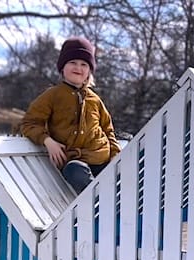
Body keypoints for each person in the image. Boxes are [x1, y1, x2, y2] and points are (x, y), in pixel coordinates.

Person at [21, 36, 121, 193]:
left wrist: (115, 156)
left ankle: (110, 200)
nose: (78, 68)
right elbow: (30, 123)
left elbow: (108, 129)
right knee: (75, 172)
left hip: (102, 157)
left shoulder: (94, 99)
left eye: (84, 64)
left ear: (89, 71)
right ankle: (98, 202)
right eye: (72, 62)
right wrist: (48, 141)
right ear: (62, 67)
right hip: (74, 161)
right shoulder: (53, 95)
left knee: (122, 177)